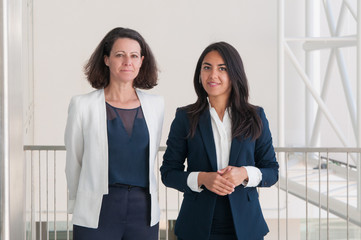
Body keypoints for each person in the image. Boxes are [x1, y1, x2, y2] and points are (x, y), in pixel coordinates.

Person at [160, 41, 279, 240]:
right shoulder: (185, 117)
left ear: (235, 75)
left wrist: (244, 174)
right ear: (199, 74)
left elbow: (272, 171)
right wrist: (202, 179)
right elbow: (168, 173)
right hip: (196, 226)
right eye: (207, 67)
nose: (213, 75)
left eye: (222, 68)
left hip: (246, 227)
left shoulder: (255, 116)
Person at [65, 27, 164, 240]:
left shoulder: (156, 106)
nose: (127, 61)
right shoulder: (83, 105)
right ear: (107, 59)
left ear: (141, 61)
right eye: (120, 55)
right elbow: (74, 160)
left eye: (134, 55)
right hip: (97, 208)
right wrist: (76, 202)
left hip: (143, 210)